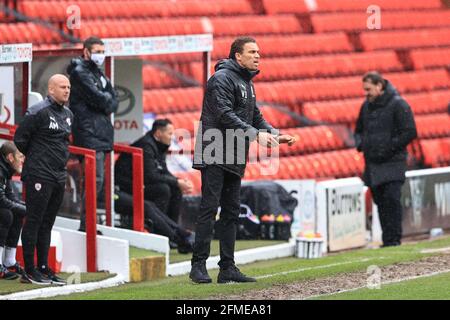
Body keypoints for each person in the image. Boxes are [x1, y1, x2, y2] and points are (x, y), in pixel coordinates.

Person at [190, 36, 296, 284]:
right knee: (209, 207)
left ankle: (227, 267)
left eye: (258, 51)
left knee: (231, 210)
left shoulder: (246, 82)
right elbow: (224, 114)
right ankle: (198, 266)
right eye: (252, 52)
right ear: (238, 56)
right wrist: (256, 135)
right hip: (214, 148)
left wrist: (274, 135)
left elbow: (255, 116)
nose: (258, 56)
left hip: (235, 151)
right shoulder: (221, 79)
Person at [14, 74, 73, 285]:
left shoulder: (68, 114)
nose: (66, 90)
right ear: (51, 89)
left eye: (68, 87)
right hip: (39, 174)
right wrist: (39, 158)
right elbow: (20, 139)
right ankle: (29, 270)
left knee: (47, 223)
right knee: (34, 220)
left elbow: (63, 143)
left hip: (58, 175)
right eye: (62, 87)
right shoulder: (38, 111)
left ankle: (43, 268)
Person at [354, 71, 417, 248]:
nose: (365, 93)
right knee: (380, 201)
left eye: (368, 89)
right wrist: (361, 144)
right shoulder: (366, 107)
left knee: (392, 200)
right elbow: (358, 130)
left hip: (393, 163)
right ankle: (388, 239)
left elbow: (410, 131)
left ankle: (394, 240)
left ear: (379, 86)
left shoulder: (398, 104)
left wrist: (388, 147)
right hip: (373, 163)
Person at [66, 36, 118, 232]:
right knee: (93, 180)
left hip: (100, 134)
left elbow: (114, 101)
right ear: (86, 52)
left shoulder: (99, 73)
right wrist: (106, 101)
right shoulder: (80, 73)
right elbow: (102, 100)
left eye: (102, 51)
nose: (100, 55)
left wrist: (106, 100)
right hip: (88, 134)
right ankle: (87, 225)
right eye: (96, 51)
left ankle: (88, 223)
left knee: (97, 181)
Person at [114, 119, 193, 223]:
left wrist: (178, 181)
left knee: (176, 189)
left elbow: (163, 171)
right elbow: (150, 175)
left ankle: (173, 228)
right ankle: (157, 228)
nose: (172, 137)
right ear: (159, 133)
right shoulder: (146, 145)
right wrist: (176, 182)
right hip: (126, 185)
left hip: (141, 183)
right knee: (163, 190)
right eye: (170, 134)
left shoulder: (159, 145)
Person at [114, 188, 195, 254]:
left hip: (114, 190)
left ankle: (181, 234)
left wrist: (176, 181)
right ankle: (178, 239)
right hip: (110, 193)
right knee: (147, 204)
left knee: (150, 203)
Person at [0, 142, 26, 280]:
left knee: (17, 213)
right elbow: (1, 200)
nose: (22, 160)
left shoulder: (5, 170)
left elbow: (10, 196)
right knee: (6, 214)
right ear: (10, 157)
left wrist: (27, 208)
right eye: (20, 156)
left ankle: (9, 262)